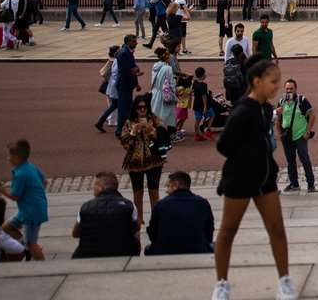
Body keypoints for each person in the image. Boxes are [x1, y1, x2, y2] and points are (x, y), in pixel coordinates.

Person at [210, 53, 296, 300]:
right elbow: (224, 146)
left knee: (277, 229)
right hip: (240, 178)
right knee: (227, 232)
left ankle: (284, 280)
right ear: (256, 81)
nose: (277, 86)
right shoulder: (243, 111)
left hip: (264, 178)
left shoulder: (265, 108)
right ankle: (221, 284)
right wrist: (249, 154)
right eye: (273, 81)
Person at [0, 138, 48, 257]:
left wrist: (0, 187)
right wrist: (36, 194)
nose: (7, 158)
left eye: (9, 156)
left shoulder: (20, 174)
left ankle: (41, 265)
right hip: (28, 210)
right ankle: (25, 245)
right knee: (7, 227)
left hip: (31, 213)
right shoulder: (30, 166)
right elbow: (45, 181)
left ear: (16, 157)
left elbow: (14, 196)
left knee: (32, 244)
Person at [72, 171, 141, 259]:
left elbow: (75, 233)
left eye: (94, 186)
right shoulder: (129, 205)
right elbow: (137, 227)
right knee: (136, 230)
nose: (93, 189)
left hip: (90, 254)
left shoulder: (86, 207)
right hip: (123, 251)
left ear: (100, 187)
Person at [119, 94, 165, 225]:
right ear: (135, 109)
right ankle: (138, 218)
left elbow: (163, 137)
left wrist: (153, 131)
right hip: (135, 162)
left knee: (154, 190)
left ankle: (156, 218)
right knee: (137, 192)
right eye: (139, 108)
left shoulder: (154, 119)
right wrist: (133, 132)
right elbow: (125, 144)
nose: (142, 110)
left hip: (154, 160)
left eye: (145, 107)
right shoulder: (129, 122)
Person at [146, 170, 214, 255]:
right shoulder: (203, 203)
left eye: (168, 186)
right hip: (198, 249)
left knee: (148, 249)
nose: (166, 191)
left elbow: (152, 232)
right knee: (212, 246)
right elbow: (209, 231)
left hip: (165, 251)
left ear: (175, 185)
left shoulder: (161, 204)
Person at [276, 78, 316, 193]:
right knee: (290, 160)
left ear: (296, 89)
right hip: (287, 137)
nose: (289, 91)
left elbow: (312, 115)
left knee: (304, 159)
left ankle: (311, 184)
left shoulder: (301, 100)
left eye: (291, 89)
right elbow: (278, 119)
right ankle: (294, 184)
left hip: (300, 136)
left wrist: (307, 131)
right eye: (287, 89)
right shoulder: (281, 101)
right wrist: (279, 133)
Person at [113, 34, 141, 138]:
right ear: (128, 42)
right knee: (123, 108)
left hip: (126, 83)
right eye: (134, 41)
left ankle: (124, 128)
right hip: (124, 83)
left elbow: (131, 67)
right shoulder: (124, 53)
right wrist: (135, 73)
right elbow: (128, 69)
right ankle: (119, 130)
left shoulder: (125, 51)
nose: (136, 43)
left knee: (126, 107)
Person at [149, 47, 177, 131]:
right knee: (169, 115)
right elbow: (171, 84)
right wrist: (175, 91)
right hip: (165, 94)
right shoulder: (168, 68)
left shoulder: (155, 66)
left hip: (155, 92)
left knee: (156, 113)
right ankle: (169, 134)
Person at [191, 67, 216, 141]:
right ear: (203, 75)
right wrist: (205, 107)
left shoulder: (195, 83)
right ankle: (208, 130)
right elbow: (204, 96)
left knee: (197, 120)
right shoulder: (204, 85)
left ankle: (197, 136)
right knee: (212, 115)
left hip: (196, 104)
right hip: (203, 104)